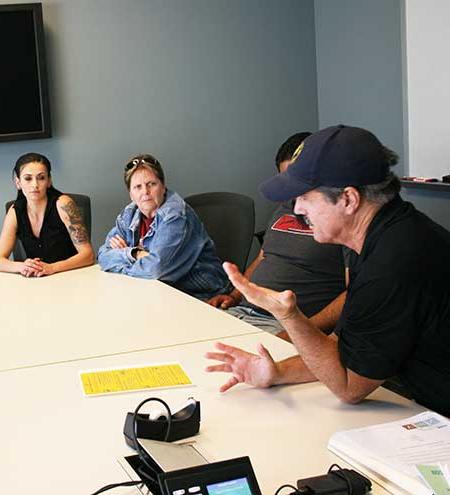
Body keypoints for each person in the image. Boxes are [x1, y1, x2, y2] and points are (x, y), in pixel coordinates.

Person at [205, 125, 450, 416]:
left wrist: (289, 315)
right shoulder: (383, 235)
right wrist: (274, 373)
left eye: (305, 197)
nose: (297, 209)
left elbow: (348, 386)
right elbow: (339, 350)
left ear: (348, 199)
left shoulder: (392, 263)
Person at [208, 132, 347, 341]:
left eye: (301, 182)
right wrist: (234, 296)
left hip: (284, 325)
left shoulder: (340, 218)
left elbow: (355, 293)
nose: (294, 194)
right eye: (288, 182)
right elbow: (264, 257)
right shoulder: (284, 208)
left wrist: (303, 331)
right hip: (243, 313)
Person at [98, 153, 228, 299]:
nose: (145, 192)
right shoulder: (130, 213)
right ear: (131, 194)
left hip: (201, 295)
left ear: (163, 186)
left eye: (151, 184)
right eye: (137, 187)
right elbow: (103, 256)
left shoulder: (175, 216)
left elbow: (155, 271)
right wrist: (135, 253)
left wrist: (121, 259)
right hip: (157, 292)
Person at [0, 152, 95, 277]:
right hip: (37, 280)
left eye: (41, 178)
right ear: (18, 182)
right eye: (28, 178)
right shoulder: (15, 211)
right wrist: (22, 266)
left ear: (49, 181)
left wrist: (52, 268)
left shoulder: (63, 204)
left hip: (71, 276)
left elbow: (88, 255)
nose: (35, 185)